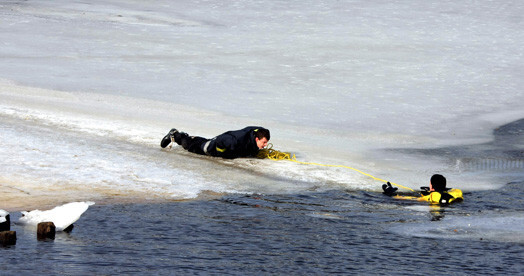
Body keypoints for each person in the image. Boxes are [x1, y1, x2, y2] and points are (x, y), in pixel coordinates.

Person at [160, 126, 270, 159]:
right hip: (211, 148)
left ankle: (189, 137)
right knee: (190, 146)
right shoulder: (235, 141)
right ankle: (175, 135)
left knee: (199, 141)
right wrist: (223, 154)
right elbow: (222, 141)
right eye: (264, 142)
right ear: (257, 139)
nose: (265, 145)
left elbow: (255, 128)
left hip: (223, 141)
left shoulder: (255, 134)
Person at [382, 174, 463, 204]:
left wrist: (390, 193)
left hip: (438, 204)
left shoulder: (432, 196)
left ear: (432, 186)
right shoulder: (455, 192)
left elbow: (409, 198)